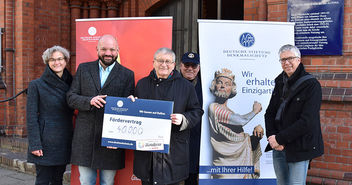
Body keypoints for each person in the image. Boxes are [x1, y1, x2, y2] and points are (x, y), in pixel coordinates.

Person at [66, 34, 135, 185]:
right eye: (103, 49)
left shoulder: (127, 74)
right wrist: (89, 101)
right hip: (85, 138)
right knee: (86, 181)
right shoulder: (84, 69)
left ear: (117, 51)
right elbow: (70, 98)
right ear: (97, 49)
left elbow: (129, 111)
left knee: (107, 182)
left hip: (111, 140)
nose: (108, 53)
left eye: (112, 49)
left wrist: (131, 104)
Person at [130, 47, 204, 185]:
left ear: (174, 64)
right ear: (153, 63)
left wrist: (183, 119)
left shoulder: (185, 87)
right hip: (147, 156)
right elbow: (134, 114)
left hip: (173, 155)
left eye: (168, 61)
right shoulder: (142, 84)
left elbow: (197, 111)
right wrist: (130, 104)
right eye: (160, 61)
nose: (164, 64)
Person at [264, 44, 324, 185]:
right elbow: (270, 113)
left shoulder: (311, 85)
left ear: (299, 59)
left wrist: (280, 138)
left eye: (290, 58)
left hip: (299, 146)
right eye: (282, 60)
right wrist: (273, 138)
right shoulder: (280, 82)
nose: (286, 63)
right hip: (278, 146)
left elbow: (307, 121)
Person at [26, 46, 73, 185]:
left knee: (58, 180)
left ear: (66, 61)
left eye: (60, 59)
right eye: (52, 59)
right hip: (45, 142)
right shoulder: (36, 85)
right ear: (47, 62)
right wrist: (34, 144)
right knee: (43, 180)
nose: (56, 62)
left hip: (64, 139)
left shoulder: (72, 83)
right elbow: (31, 117)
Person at [208, 68, 263, 179]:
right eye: (219, 82)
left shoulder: (230, 112)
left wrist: (256, 136)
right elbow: (240, 121)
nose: (223, 86)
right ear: (215, 86)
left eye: (227, 84)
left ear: (232, 89)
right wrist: (254, 111)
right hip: (224, 166)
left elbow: (241, 141)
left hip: (241, 165)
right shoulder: (214, 108)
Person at [179, 52, 203, 185]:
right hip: (177, 137)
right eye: (186, 65)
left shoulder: (205, 85)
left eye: (193, 66)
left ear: (198, 68)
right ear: (180, 65)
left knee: (192, 176)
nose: (190, 68)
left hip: (197, 138)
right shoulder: (173, 82)